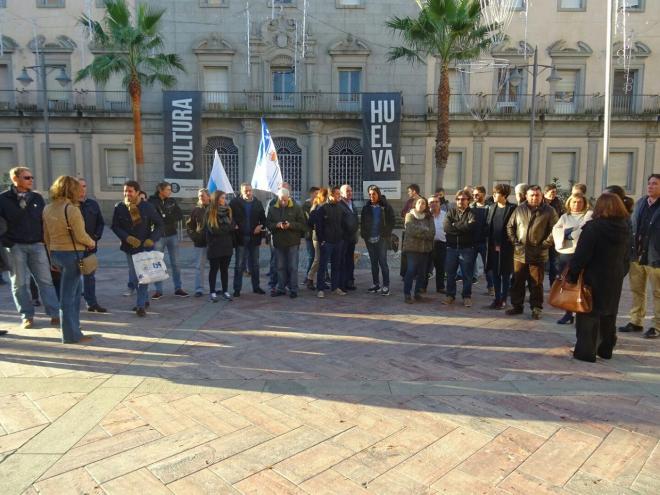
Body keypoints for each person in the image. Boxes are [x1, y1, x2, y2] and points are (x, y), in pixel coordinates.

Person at [568, 193, 630, 362]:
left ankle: (586, 352)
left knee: (589, 313)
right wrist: (621, 271)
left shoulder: (593, 227)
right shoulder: (625, 227)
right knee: (609, 313)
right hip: (614, 276)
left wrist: (572, 275)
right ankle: (605, 349)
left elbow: (582, 255)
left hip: (594, 276)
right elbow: (627, 255)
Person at [0, 166, 60, 328]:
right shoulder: (3, 199)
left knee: (45, 281)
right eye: (27, 177)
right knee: (19, 284)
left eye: (31, 177)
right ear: (15, 179)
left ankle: (55, 314)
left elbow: (44, 220)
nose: (31, 180)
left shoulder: (36, 198)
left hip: (37, 245)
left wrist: (44, 240)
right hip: (15, 246)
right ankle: (27, 316)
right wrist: (7, 241)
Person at [43, 176, 96, 344]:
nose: (81, 190)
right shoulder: (71, 209)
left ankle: (76, 330)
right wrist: (91, 242)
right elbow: (80, 235)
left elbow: (46, 236)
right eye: (77, 188)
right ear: (71, 189)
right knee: (68, 297)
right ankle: (70, 335)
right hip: (72, 256)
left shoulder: (47, 208)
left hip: (57, 254)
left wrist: (51, 257)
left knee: (74, 293)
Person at [506, 185, 558, 319]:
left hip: (538, 254)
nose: (534, 197)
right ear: (527, 196)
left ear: (541, 196)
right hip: (520, 253)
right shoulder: (519, 209)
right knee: (517, 281)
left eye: (537, 195)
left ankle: (536, 308)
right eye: (532, 195)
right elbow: (510, 226)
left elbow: (555, 230)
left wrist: (545, 245)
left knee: (536, 283)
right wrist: (515, 242)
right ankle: (517, 306)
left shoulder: (549, 211)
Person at [111, 180, 163, 317]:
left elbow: (159, 224)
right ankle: (144, 299)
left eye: (130, 191)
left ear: (138, 193)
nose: (127, 194)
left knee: (143, 277)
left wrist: (152, 238)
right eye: (125, 191)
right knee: (134, 278)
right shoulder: (120, 207)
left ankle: (140, 305)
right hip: (129, 247)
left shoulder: (147, 207)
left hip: (145, 247)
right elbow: (115, 226)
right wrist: (126, 237)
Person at [619, 174, 660, 339]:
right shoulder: (641, 202)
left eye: (655, 184)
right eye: (649, 183)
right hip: (637, 256)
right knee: (637, 290)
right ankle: (636, 321)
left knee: (658, 293)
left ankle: (657, 326)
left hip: (655, 257)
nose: (650, 186)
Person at [551, 192, 592, 325]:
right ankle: (568, 312)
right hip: (566, 253)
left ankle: (581, 310)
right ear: (569, 203)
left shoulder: (587, 216)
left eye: (580, 202)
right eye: (574, 202)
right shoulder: (564, 216)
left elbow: (583, 230)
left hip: (580, 253)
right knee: (566, 283)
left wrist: (569, 233)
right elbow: (556, 230)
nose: (576, 205)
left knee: (581, 284)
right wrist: (565, 234)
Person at [149, 182, 187, 299]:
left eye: (170, 189)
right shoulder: (152, 202)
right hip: (158, 236)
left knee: (175, 263)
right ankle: (158, 290)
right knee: (158, 263)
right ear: (160, 190)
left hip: (172, 235)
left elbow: (179, 215)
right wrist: (165, 217)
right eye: (168, 189)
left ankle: (178, 288)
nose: (170, 191)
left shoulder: (172, 201)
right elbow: (154, 218)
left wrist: (165, 216)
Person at [267, 187, 305, 298]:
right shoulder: (273, 208)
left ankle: (293, 289)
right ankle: (281, 288)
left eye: (285, 199)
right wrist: (277, 225)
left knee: (293, 267)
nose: (283, 202)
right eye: (281, 199)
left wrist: (290, 225)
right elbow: (268, 224)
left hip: (292, 242)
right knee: (280, 266)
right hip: (278, 243)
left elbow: (302, 225)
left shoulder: (296, 208)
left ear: (289, 197)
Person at [230, 183, 266, 297]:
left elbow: (264, 220)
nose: (248, 193)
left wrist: (260, 226)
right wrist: (234, 224)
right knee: (239, 264)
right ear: (241, 191)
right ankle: (237, 289)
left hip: (254, 238)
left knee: (255, 264)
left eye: (250, 190)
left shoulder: (258, 203)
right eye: (246, 191)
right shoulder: (234, 203)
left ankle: (256, 287)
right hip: (240, 237)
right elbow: (229, 217)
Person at [443, 190, 477, 307]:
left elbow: (471, 228)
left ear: (468, 200)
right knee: (450, 274)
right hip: (451, 248)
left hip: (467, 248)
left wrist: (455, 225)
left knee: (467, 275)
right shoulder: (451, 212)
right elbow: (447, 228)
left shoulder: (472, 213)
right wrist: (463, 226)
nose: (460, 201)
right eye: (458, 199)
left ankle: (466, 296)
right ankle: (450, 295)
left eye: (463, 199)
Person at [485, 184, 516, 310]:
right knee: (494, 273)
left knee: (505, 274)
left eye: (496, 193)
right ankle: (497, 298)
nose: (494, 195)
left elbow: (515, 228)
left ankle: (504, 299)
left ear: (504, 195)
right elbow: (489, 226)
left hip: (506, 248)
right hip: (492, 247)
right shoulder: (492, 207)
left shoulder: (513, 209)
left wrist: (505, 243)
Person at [77, 178, 106, 313]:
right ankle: (73, 303)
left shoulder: (92, 204)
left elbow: (100, 223)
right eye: (79, 186)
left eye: (84, 186)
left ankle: (91, 303)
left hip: (89, 249)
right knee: (75, 275)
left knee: (89, 276)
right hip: (74, 249)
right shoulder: (69, 205)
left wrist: (95, 238)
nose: (82, 189)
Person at [360, 185, 395, 296]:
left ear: (378, 194)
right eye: (369, 194)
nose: (371, 196)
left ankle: (386, 285)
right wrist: (364, 235)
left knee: (382, 262)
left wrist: (385, 233)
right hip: (369, 239)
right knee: (373, 262)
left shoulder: (385, 206)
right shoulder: (366, 207)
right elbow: (363, 222)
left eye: (373, 194)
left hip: (382, 239)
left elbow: (392, 221)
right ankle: (376, 284)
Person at [313, 186, 347, 298]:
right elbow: (318, 226)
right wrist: (322, 240)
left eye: (339, 194)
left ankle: (335, 287)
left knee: (336, 266)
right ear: (331, 195)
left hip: (338, 241)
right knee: (322, 266)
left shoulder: (340, 208)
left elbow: (343, 224)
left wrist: (342, 238)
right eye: (337, 194)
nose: (339, 196)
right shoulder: (322, 208)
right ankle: (320, 289)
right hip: (326, 242)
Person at [402, 197, 435, 303]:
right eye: (419, 203)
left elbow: (432, 233)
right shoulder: (409, 215)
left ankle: (417, 293)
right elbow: (411, 230)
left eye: (424, 204)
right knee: (411, 271)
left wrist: (422, 232)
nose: (422, 205)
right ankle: (407, 294)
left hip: (425, 250)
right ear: (415, 204)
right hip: (412, 249)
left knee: (422, 273)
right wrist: (425, 230)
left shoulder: (429, 217)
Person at [205, 191, 235, 302]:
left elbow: (233, 225)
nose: (224, 200)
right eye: (222, 197)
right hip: (214, 246)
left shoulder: (228, 210)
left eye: (225, 197)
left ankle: (225, 290)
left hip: (227, 245)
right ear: (216, 199)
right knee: (214, 269)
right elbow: (214, 230)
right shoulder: (210, 212)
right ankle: (212, 292)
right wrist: (228, 228)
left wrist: (227, 228)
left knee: (224, 270)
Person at [266, 181, 291, 294]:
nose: (284, 191)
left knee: (289, 262)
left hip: (289, 238)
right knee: (275, 262)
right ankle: (273, 283)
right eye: (281, 189)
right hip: (276, 237)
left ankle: (287, 283)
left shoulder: (293, 202)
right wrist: (277, 225)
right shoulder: (272, 203)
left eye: (286, 189)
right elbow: (268, 221)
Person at [186, 188, 210, 297]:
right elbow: (189, 226)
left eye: (203, 195)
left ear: (208, 196)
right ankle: (199, 289)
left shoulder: (214, 209)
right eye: (199, 196)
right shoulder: (195, 210)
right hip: (200, 244)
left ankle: (217, 288)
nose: (201, 198)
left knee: (216, 267)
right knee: (199, 267)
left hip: (213, 243)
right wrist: (195, 237)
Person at [470, 185, 493, 293]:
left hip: (485, 242)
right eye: (473, 194)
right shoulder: (471, 207)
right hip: (472, 242)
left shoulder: (490, 207)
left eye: (477, 194)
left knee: (488, 267)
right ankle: (467, 289)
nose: (474, 196)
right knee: (469, 266)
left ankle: (491, 288)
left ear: (483, 194)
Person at [305, 188, 328, 291]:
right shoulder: (316, 207)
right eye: (326, 196)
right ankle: (309, 278)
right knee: (318, 259)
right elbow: (310, 222)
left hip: (325, 236)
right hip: (317, 236)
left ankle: (321, 280)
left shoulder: (325, 207)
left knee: (323, 260)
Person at [425, 195, 447, 293]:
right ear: (428, 204)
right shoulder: (425, 215)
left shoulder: (445, 214)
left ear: (440, 203)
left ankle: (440, 287)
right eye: (431, 202)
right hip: (428, 244)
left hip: (441, 244)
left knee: (441, 267)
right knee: (425, 267)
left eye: (436, 201)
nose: (434, 204)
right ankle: (422, 287)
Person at [339, 184, 359, 291]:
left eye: (351, 191)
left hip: (351, 237)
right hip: (343, 238)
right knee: (342, 261)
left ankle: (350, 281)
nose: (350, 193)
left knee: (350, 261)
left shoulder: (353, 204)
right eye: (347, 191)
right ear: (342, 193)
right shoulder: (339, 205)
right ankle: (342, 283)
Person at [544, 184, 565, 285]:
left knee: (554, 261)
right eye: (552, 192)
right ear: (545, 193)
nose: (554, 194)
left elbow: (561, 217)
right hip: (543, 236)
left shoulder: (557, 202)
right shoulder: (541, 202)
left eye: (555, 192)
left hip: (554, 236)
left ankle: (553, 284)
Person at [400, 184, 421, 278]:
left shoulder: (422, 201)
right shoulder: (409, 201)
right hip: (407, 230)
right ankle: (405, 274)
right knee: (405, 253)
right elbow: (403, 213)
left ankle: (416, 274)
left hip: (418, 232)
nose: (408, 193)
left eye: (409, 191)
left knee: (417, 254)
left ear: (414, 191)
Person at [302, 187, 319, 288]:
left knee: (319, 257)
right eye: (316, 193)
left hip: (318, 235)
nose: (318, 195)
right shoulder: (306, 205)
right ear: (312, 194)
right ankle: (308, 277)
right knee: (312, 256)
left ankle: (324, 276)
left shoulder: (319, 204)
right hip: (309, 234)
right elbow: (307, 220)